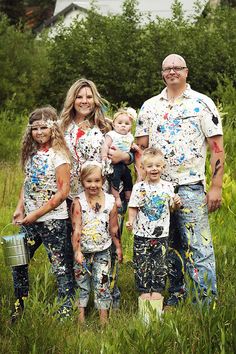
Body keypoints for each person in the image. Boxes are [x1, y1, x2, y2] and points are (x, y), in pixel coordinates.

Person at [135, 54, 224, 306]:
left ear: (186, 71)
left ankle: (205, 303)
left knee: (199, 246)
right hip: (157, 188)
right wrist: (141, 189)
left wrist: (216, 186)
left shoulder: (201, 103)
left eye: (177, 67)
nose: (172, 71)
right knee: (168, 246)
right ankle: (175, 295)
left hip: (190, 186)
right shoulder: (150, 106)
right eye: (167, 68)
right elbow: (140, 150)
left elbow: (217, 147)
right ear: (162, 73)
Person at [60, 78, 133, 308]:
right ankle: (79, 300)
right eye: (80, 97)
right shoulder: (62, 128)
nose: (84, 101)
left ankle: (109, 298)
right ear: (73, 100)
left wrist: (126, 157)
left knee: (108, 246)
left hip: (105, 196)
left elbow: (132, 153)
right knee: (77, 246)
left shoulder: (107, 126)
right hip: (73, 197)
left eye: (89, 96)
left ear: (95, 99)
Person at [11, 106, 75, 321]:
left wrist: (37, 214)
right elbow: (28, 183)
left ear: (53, 129)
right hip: (29, 220)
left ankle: (65, 309)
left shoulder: (60, 155)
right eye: (35, 128)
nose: (39, 132)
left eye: (43, 128)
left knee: (60, 266)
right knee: (17, 261)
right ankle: (20, 304)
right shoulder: (31, 154)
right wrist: (20, 208)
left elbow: (63, 191)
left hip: (53, 221)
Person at [126, 148, 182, 318]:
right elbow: (134, 207)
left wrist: (176, 204)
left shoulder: (168, 187)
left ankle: (156, 310)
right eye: (149, 166)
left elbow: (172, 208)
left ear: (163, 167)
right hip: (142, 236)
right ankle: (145, 311)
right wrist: (130, 221)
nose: (154, 169)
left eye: (158, 165)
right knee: (142, 268)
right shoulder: (139, 188)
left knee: (159, 269)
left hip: (161, 236)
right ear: (143, 168)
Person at [71, 161, 122, 325]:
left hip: (103, 250)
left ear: (103, 180)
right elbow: (76, 229)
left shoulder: (110, 201)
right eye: (88, 181)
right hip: (83, 251)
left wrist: (119, 247)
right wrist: (77, 251)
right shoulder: (79, 202)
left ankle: (103, 320)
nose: (93, 185)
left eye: (97, 181)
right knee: (81, 284)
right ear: (82, 181)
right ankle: (80, 319)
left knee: (102, 283)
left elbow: (114, 227)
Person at [101, 107, 138, 208]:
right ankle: (116, 196)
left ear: (130, 126)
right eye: (120, 123)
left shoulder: (129, 136)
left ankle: (128, 193)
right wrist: (104, 156)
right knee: (115, 178)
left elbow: (130, 148)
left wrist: (133, 147)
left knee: (128, 177)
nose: (123, 126)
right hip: (114, 164)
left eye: (126, 124)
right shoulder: (112, 135)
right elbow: (105, 145)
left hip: (123, 163)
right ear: (114, 124)